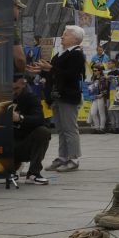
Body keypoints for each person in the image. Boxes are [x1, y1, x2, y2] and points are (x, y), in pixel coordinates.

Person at [28, 25, 86, 173]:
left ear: (75, 38)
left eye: (65, 34)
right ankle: (63, 156)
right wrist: (41, 71)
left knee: (70, 129)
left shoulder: (77, 54)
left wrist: (50, 68)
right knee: (61, 129)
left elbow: (71, 75)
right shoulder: (60, 54)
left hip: (68, 96)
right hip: (57, 95)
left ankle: (73, 159)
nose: (62, 36)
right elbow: (53, 74)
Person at [12, 75, 50, 185]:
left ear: (23, 85)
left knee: (43, 132)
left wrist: (20, 118)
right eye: (9, 89)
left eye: (16, 89)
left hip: (23, 143)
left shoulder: (31, 98)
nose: (13, 92)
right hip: (3, 145)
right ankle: (9, 169)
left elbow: (39, 119)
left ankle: (33, 174)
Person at [86, 64, 108, 134]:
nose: (94, 72)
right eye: (93, 70)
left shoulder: (103, 78)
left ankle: (102, 128)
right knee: (93, 113)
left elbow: (107, 88)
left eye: (95, 70)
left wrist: (102, 94)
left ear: (99, 71)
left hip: (101, 97)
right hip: (95, 97)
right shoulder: (93, 78)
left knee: (101, 112)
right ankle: (96, 127)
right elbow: (92, 87)